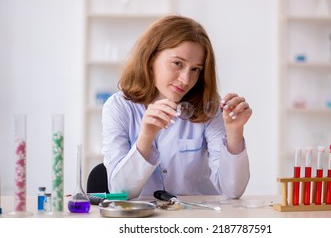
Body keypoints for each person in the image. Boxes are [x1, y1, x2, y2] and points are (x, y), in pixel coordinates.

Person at [101, 15, 252, 200]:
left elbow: (233, 191)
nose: (186, 79)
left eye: (195, 69)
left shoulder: (207, 106)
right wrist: (146, 137)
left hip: (197, 217)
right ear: (150, 58)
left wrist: (235, 133)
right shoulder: (119, 107)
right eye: (177, 63)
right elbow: (120, 192)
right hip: (145, 220)